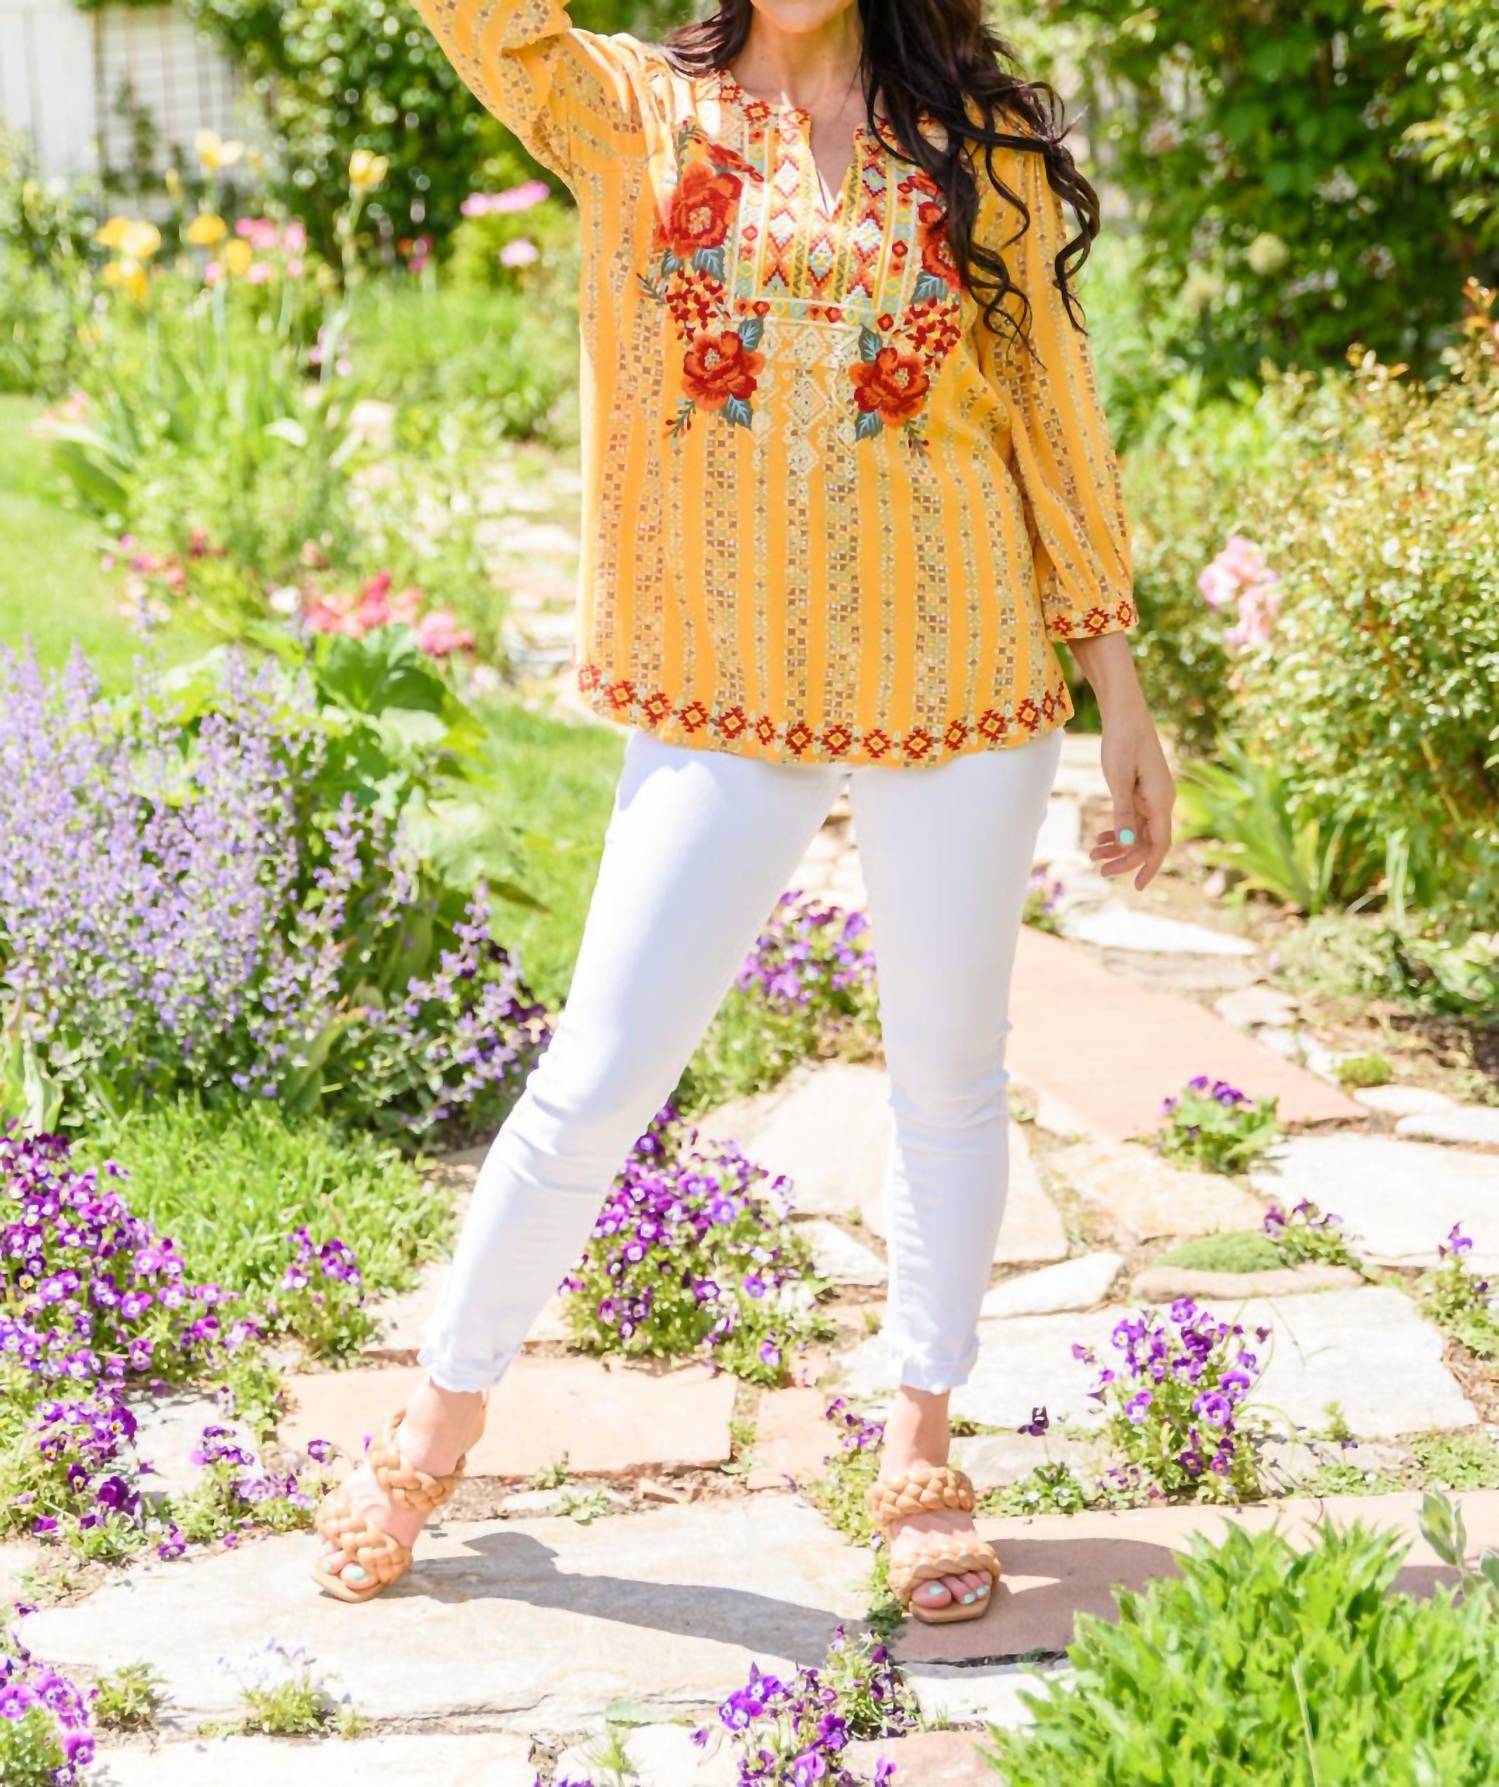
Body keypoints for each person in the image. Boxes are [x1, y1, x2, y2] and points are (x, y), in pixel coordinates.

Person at [310, 0, 1175, 1623]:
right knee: (597, 1073)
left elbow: (1052, 414)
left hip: (961, 664)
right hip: (720, 679)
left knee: (947, 1076)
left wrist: (1118, 690)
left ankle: (920, 1440)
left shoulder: (973, 145)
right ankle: (435, 1422)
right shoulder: (629, 109)